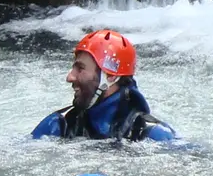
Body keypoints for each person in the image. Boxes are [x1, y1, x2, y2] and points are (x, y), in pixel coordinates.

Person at [31, 29, 177, 142]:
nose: (70, 77)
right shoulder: (58, 125)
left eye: (80, 68)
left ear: (111, 75)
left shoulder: (151, 133)